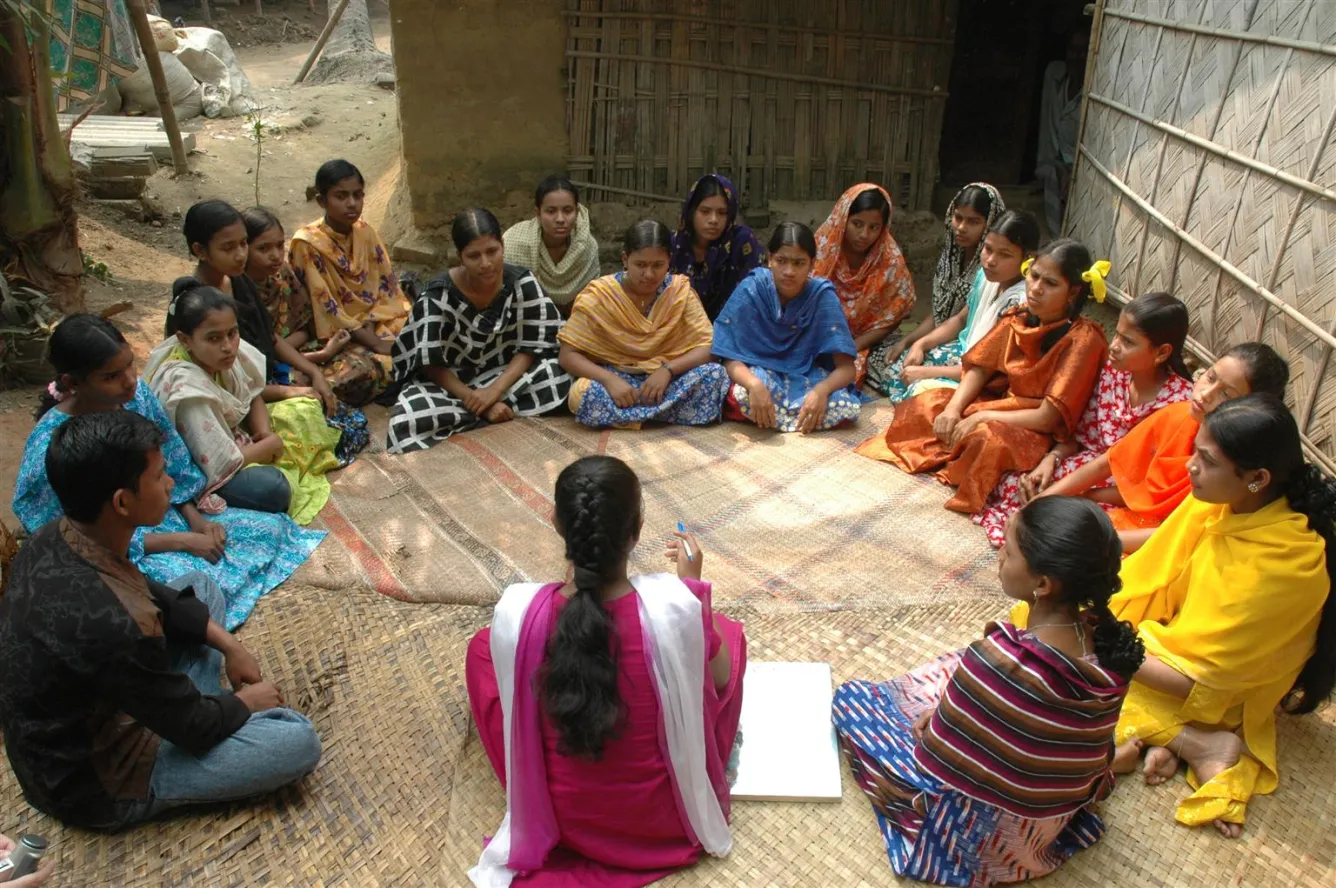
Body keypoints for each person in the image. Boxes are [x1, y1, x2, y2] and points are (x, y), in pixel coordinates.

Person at [0, 411, 321, 831]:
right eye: (159, 476)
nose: (171, 484)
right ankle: (197, 711)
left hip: (114, 701)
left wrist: (231, 645)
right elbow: (194, 727)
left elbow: (155, 594)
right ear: (122, 501)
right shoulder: (116, 624)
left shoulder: (53, 536)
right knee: (296, 740)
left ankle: (191, 698)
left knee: (200, 589)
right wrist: (245, 702)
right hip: (98, 782)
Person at [833, 496, 1143, 886]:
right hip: (1045, 828)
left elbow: (933, 760)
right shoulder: (1107, 645)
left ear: (1043, 584)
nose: (999, 555)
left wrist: (942, 722)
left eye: (1009, 551)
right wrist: (960, 713)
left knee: (852, 700)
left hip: (981, 842)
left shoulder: (998, 658)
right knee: (957, 669)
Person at [466, 455, 745, 886]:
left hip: (560, 822)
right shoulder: (675, 608)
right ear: (635, 532)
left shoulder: (521, 612)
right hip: (663, 826)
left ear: (557, 523)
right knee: (728, 639)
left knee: (484, 650)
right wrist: (693, 594)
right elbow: (721, 680)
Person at [1079, 395, 1332, 837]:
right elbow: (1160, 559)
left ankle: (1195, 739)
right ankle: (1184, 741)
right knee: (1047, 623)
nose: (1190, 466)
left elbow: (1206, 682)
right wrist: (1097, 546)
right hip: (1172, 644)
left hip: (1219, 690)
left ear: (1257, 478)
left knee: (1074, 670)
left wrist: (1108, 646)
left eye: (1206, 460)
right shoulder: (1220, 499)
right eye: (1196, 451)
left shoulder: (1286, 565)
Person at [13, 315, 326, 629]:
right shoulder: (52, 450)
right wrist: (182, 541)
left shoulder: (136, 397)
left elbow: (172, 464)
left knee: (269, 530)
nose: (129, 381)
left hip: (159, 512)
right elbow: (76, 542)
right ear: (73, 383)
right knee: (189, 593)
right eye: (111, 376)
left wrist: (198, 522)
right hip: (117, 548)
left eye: (129, 366)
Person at [856, 238, 1108, 514]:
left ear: (1073, 292)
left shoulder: (1083, 339)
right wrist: (954, 409)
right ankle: (957, 447)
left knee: (987, 440)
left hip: (1035, 427)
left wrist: (979, 416)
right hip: (999, 405)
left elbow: (1047, 417)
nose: (1035, 289)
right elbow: (980, 367)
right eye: (1034, 276)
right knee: (928, 404)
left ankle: (962, 461)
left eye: (1050, 284)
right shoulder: (1018, 317)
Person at [975, 292, 1194, 546]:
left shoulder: (1179, 405)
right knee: (1014, 486)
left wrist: (1084, 495)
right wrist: (1051, 460)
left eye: (1128, 341)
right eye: (1117, 335)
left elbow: (1146, 486)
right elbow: (1084, 436)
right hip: (1085, 472)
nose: (1114, 346)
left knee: (1065, 525)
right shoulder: (1115, 373)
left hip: (1126, 496)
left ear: (1162, 352)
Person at [1033, 341, 1289, 551]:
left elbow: (1180, 536)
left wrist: (1096, 541)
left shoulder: (1234, 469)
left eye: (1226, 394)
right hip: (1128, 520)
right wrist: (1048, 501)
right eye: (1210, 378)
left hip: (1163, 546)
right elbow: (1110, 465)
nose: (1205, 394)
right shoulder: (1178, 416)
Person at [146, 283, 340, 525]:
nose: (228, 346)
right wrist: (270, 444)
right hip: (207, 470)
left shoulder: (223, 355)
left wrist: (263, 432)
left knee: (305, 406)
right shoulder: (186, 390)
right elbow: (218, 464)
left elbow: (251, 393)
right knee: (274, 489)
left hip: (235, 438)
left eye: (232, 333)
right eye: (214, 338)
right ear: (185, 340)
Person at [387, 208, 570, 453]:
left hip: (506, 376)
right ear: (460, 256)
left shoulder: (521, 282)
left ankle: (484, 410)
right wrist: (477, 400)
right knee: (406, 419)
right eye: (474, 256)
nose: (486, 263)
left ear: (502, 246)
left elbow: (534, 344)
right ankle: (487, 411)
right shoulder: (437, 295)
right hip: (454, 385)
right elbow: (429, 362)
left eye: (492, 251)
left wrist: (494, 392)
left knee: (563, 373)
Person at [558, 220, 730, 429]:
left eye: (658, 265)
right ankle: (663, 415)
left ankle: (630, 418)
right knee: (580, 394)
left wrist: (667, 370)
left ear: (669, 261)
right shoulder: (601, 295)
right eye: (640, 265)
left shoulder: (678, 293)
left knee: (715, 376)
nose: (649, 274)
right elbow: (568, 355)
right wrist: (609, 380)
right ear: (625, 259)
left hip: (667, 381)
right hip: (619, 380)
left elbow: (709, 347)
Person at [177, 199, 338, 417]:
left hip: (260, 381)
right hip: (229, 401)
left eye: (243, 244)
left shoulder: (238, 280)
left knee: (322, 389)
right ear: (200, 250)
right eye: (228, 248)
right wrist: (288, 391)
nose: (241, 255)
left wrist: (314, 371)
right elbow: (217, 382)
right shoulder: (194, 302)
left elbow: (271, 339)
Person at [242, 206, 370, 466]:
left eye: (280, 245)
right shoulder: (239, 291)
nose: (276, 255)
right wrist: (315, 361)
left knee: (364, 367)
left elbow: (304, 328)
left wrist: (317, 359)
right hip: (262, 374)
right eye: (263, 249)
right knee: (310, 399)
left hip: (292, 355)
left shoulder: (283, 275)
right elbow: (259, 357)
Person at [868, 207, 1037, 402]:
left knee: (922, 392)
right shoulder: (986, 278)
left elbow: (986, 370)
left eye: (1004, 255)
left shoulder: (1020, 305)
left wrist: (927, 373)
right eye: (988, 249)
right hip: (965, 355)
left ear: (1027, 258)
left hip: (985, 378)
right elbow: (960, 319)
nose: (991, 261)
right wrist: (920, 345)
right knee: (894, 364)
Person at [713, 222, 860, 433]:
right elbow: (727, 356)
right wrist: (754, 384)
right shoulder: (752, 289)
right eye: (781, 261)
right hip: (761, 372)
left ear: (812, 265)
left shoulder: (822, 297)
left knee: (845, 406)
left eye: (799, 263)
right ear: (770, 259)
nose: (789, 271)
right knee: (740, 395)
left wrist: (821, 391)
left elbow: (846, 368)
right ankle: (784, 414)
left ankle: (779, 416)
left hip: (808, 376)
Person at [288, 159, 411, 405]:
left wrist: (375, 328)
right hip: (332, 334)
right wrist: (375, 343)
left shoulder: (364, 231)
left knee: (422, 337)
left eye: (357, 195)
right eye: (341, 196)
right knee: (360, 371)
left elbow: (387, 288)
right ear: (322, 201)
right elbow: (324, 307)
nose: (352, 203)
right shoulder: (307, 244)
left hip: (374, 320)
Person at [866, 184, 1004, 395]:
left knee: (904, 372)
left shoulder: (991, 269)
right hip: (941, 334)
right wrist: (909, 341)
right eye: (958, 218)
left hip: (966, 345)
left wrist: (919, 346)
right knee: (878, 354)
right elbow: (941, 314)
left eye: (973, 221)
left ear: (991, 224)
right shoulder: (951, 258)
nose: (962, 227)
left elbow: (961, 322)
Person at [813, 183, 917, 385]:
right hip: (817, 334)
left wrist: (854, 345)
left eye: (873, 227)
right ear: (843, 219)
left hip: (863, 341)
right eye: (857, 224)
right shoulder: (823, 248)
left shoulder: (890, 261)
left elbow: (892, 317)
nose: (864, 234)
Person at [668, 173, 768, 319]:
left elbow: (754, 297)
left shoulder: (741, 243)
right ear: (691, 212)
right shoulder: (673, 245)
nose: (713, 220)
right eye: (705, 211)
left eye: (722, 213)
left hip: (732, 330)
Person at [502, 175, 602, 314]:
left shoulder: (586, 246)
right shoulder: (515, 243)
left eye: (567, 211)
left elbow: (591, 298)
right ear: (538, 213)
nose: (560, 219)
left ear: (577, 212)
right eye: (551, 211)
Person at [1036, 25, 1091, 235]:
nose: (1076, 57)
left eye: (1083, 51)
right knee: (1051, 175)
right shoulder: (1055, 76)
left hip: (1076, 165)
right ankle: (1056, 235)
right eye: (1072, 50)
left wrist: (1072, 169)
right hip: (1052, 160)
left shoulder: (1091, 96)